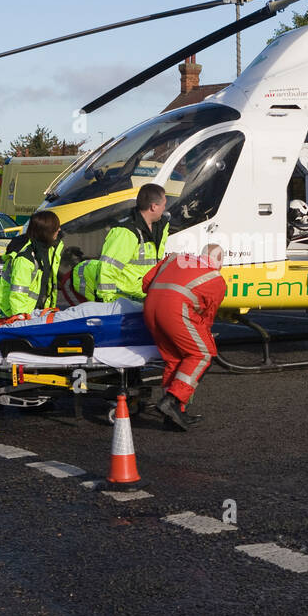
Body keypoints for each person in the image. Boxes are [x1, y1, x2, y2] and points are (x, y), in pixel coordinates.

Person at [142, 244, 227, 431]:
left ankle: (173, 415)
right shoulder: (216, 279)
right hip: (174, 311)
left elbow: (146, 283)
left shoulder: (174, 258)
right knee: (203, 354)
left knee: (174, 359)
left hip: (150, 308)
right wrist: (205, 337)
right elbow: (207, 318)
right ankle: (172, 400)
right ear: (220, 262)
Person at [97, 183, 169, 303]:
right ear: (154, 207)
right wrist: (107, 301)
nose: (164, 209)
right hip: (123, 298)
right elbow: (108, 268)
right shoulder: (126, 232)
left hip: (145, 294)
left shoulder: (160, 226)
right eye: (163, 205)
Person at [0, 210, 63, 317]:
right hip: (18, 317)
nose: (59, 229)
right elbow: (18, 294)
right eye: (56, 227)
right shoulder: (25, 258)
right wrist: (22, 320)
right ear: (46, 231)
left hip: (35, 315)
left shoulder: (46, 250)